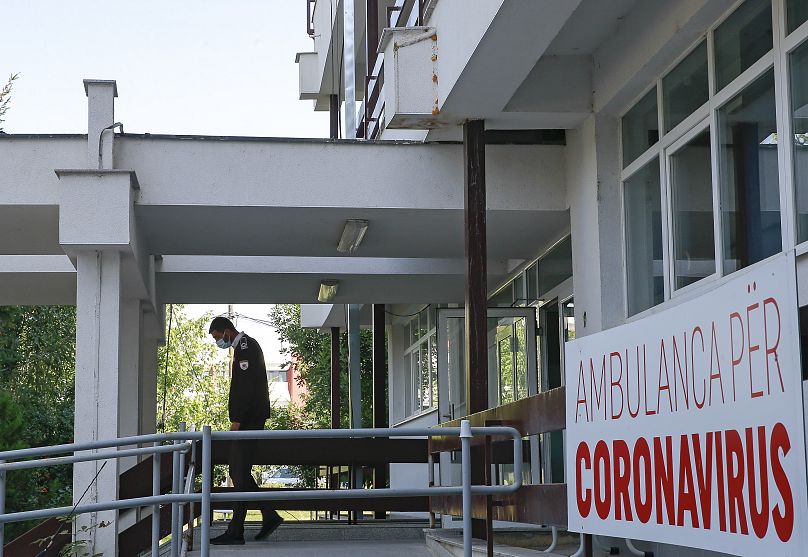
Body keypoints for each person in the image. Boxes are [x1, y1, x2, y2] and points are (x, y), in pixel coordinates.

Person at [208, 316, 283, 545]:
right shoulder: (244, 347)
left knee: (238, 471)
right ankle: (267, 515)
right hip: (250, 419)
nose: (218, 342)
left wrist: (237, 419)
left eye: (217, 337)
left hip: (249, 420)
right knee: (238, 472)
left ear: (226, 331)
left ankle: (236, 531)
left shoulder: (245, 346)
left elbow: (245, 388)